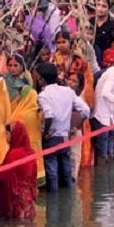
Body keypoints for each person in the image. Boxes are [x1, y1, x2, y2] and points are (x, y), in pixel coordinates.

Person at [33, 62, 90, 191]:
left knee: (52, 169)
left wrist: (45, 132)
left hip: (52, 137)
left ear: (42, 78)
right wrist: (75, 126)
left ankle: (53, 198)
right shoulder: (68, 91)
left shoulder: (43, 96)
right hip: (65, 136)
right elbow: (85, 110)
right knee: (66, 166)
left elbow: (49, 115)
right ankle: (68, 195)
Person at [0, 121, 37, 220]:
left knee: (17, 225)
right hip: (28, 198)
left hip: (15, 199)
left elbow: (5, 176)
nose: (6, 137)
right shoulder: (31, 152)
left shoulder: (14, 154)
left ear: (15, 134)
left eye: (7, 133)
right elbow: (33, 176)